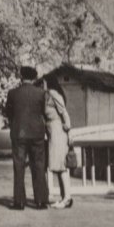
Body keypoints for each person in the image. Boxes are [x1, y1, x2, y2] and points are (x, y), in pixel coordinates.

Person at [5, 66, 49, 210]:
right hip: (37, 134)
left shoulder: (12, 93)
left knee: (19, 167)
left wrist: (15, 123)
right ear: (34, 77)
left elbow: (8, 113)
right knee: (39, 166)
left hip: (19, 134)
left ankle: (19, 202)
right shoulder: (41, 93)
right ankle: (41, 201)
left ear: (21, 77)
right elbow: (44, 112)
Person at [44, 76, 73, 209]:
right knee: (57, 165)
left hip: (57, 132)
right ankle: (64, 197)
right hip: (53, 132)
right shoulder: (49, 95)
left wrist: (68, 127)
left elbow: (64, 112)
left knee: (60, 166)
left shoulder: (53, 94)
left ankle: (67, 198)